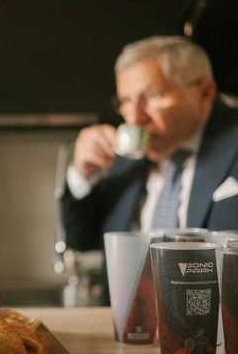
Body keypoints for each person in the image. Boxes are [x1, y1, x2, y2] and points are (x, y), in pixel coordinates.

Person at [60, 35, 238, 304]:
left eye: (151, 97)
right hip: (129, 329)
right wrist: (83, 177)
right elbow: (82, 241)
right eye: (125, 101)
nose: (133, 118)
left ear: (204, 92)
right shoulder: (125, 154)